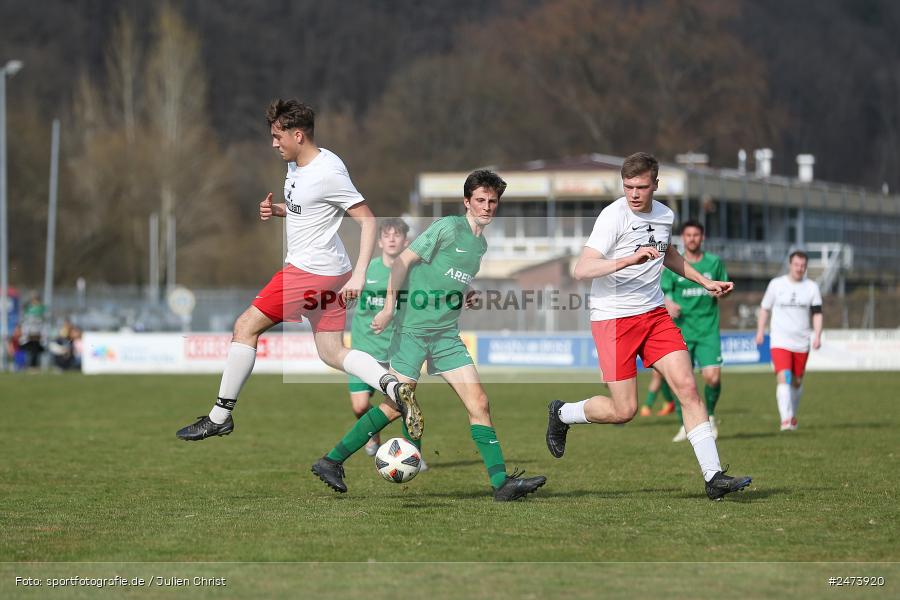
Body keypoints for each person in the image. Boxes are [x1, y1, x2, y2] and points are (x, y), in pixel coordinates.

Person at [176, 99, 421, 441]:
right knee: (331, 352)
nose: (274, 143)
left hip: (311, 271)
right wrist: (279, 209)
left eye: (278, 137)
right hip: (330, 270)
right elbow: (309, 210)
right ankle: (393, 386)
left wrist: (361, 274)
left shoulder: (328, 171)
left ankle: (220, 416)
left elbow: (367, 220)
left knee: (245, 326)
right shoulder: (295, 165)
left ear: (299, 135)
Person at [311, 169, 547, 501]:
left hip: (446, 337)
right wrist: (389, 307)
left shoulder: (480, 244)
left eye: (493, 201)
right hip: (412, 333)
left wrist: (464, 294)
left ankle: (501, 484)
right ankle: (331, 460)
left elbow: (445, 279)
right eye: (480, 200)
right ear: (467, 202)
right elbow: (402, 263)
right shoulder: (447, 228)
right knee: (395, 406)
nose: (487, 207)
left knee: (479, 402)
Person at [545, 152, 751, 500]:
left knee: (687, 386)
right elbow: (582, 269)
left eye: (642, 186)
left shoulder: (665, 214)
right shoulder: (613, 216)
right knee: (624, 410)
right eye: (628, 187)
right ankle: (562, 413)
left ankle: (714, 477)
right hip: (613, 318)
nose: (635, 194)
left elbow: (667, 253)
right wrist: (629, 258)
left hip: (654, 314)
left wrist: (704, 281)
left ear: (656, 184)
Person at [347, 217, 422, 464]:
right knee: (360, 406)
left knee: (405, 404)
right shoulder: (367, 270)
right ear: (379, 242)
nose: (391, 239)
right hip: (364, 348)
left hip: (396, 350)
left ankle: (414, 453)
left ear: (406, 241)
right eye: (387, 235)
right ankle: (374, 435)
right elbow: (346, 293)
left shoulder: (413, 273)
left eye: (397, 235)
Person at [662, 220, 728, 442]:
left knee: (712, 378)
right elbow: (664, 294)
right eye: (688, 235)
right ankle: (685, 425)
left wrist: (722, 292)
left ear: (702, 237)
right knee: (681, 382)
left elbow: (723, 288)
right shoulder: (674, 265)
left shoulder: (714, 262)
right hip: (680, 333)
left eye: (696, 235)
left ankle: (708, 416)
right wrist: (669, 303)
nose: (692, 239)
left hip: (708, 330)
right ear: (683, 238)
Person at [755, 251, 822, 431]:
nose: (799, 268)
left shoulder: (812, 287)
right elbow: (764, 309)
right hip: (780, 341)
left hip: (801, 342)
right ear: (790, 265)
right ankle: (786, 420)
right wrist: (760, 331)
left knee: (797, 382)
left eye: (803, 265)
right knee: (784, 377)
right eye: (796, 264)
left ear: (806, 267)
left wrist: (817, 334)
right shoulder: (776, 285)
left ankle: (791, 415)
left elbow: (817, 313)